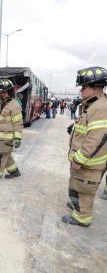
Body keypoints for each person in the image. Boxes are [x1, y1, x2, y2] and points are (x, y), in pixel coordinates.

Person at [62, 66, 107, 227]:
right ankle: (78, 204)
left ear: (95, 87)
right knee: (77, 184)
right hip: (84, 158)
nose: (81, 91)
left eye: (84, 87)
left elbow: (97, 138)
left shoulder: (100, 108)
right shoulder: (93, 104)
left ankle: (83, 216)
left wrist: (80, 158)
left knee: (84, 187)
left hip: (88, 161)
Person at [0, 79, 23, 184]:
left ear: (10, 92)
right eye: (0, 92)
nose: (2, 94)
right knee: (6, 156)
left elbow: (18, 123)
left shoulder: (15, 105)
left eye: (4, 92)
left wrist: (17, 138)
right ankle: (15, 172)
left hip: (7, 138)